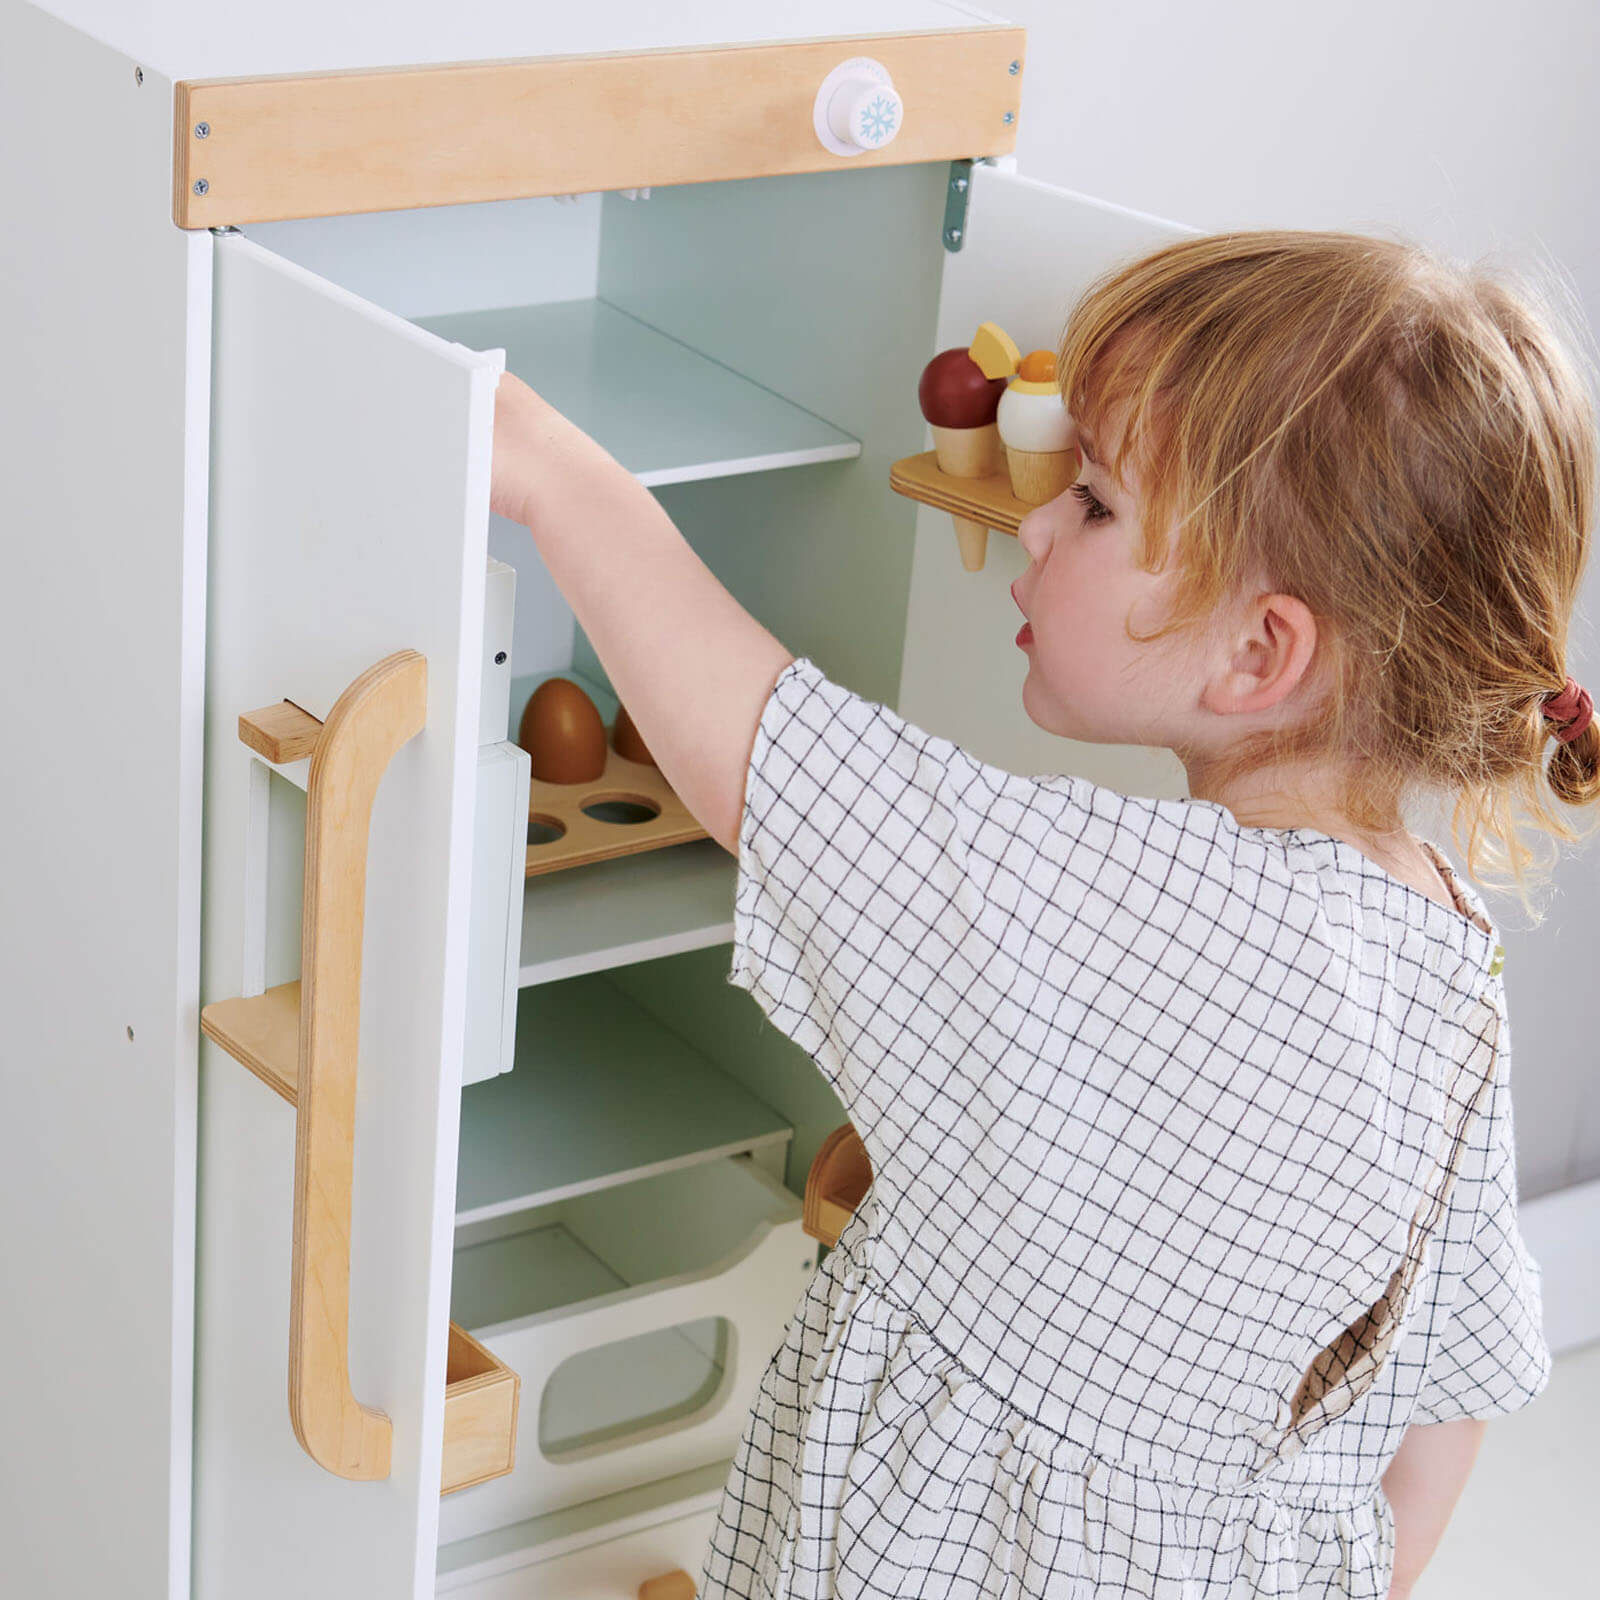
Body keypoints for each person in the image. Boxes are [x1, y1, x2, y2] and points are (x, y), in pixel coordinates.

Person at [489, 228, 1594, 1599]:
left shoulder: (1132, 897)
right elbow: (1447, 1401)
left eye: (1096, 502)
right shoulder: (1451, 954)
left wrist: (552, 472)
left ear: (1261, 651)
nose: (1035, 522)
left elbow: (771, 762)